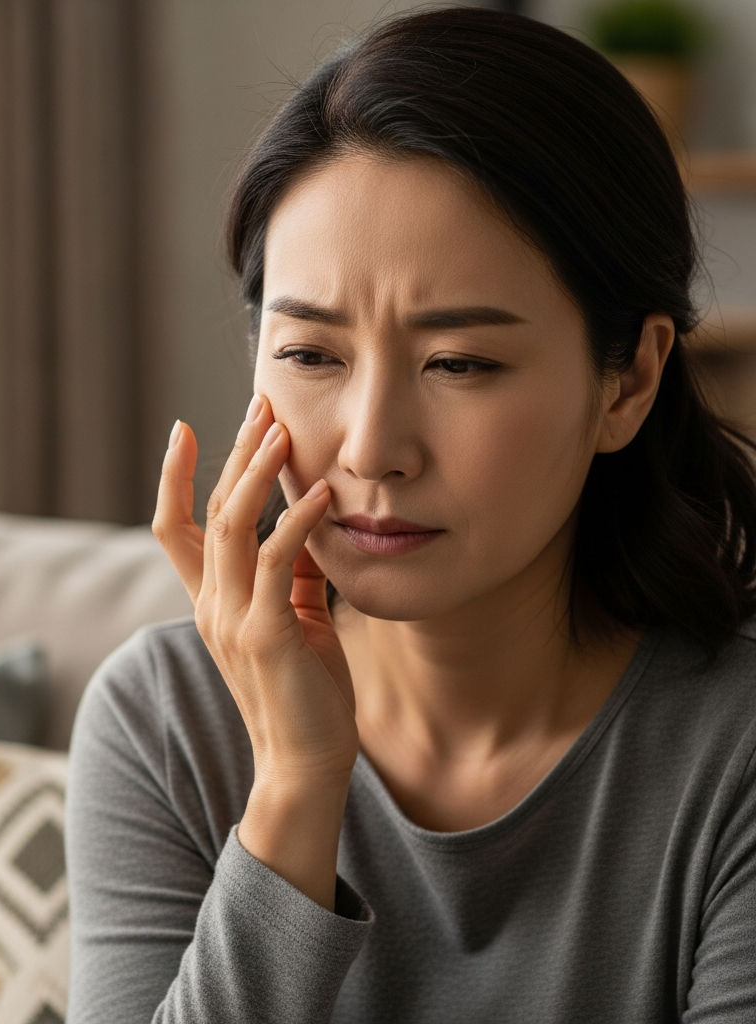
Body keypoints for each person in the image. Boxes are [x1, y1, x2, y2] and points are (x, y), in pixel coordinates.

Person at [65, 7, 756, 1022]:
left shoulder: (731, 751)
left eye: (460, 363)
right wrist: (297, 787)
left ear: (627, 381)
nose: (370, 447)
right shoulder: (165, 722)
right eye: (310, 355)